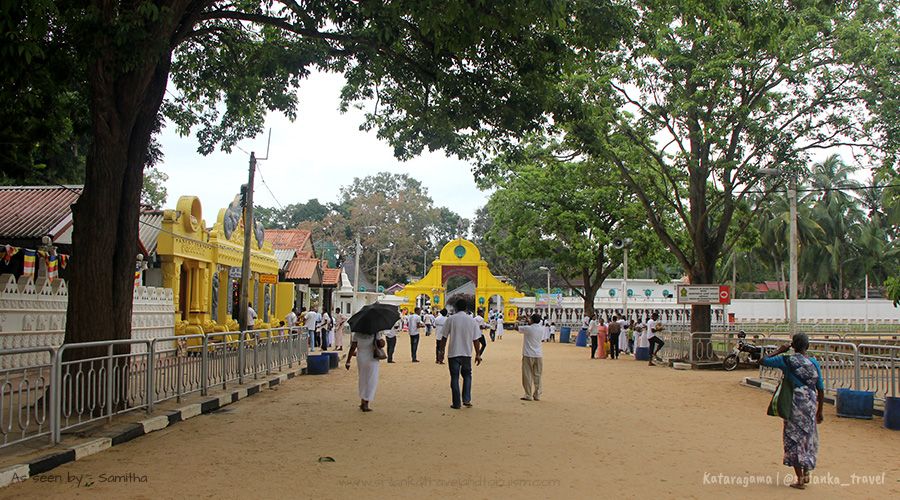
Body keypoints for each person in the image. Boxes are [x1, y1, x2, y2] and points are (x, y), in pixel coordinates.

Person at [761, 333, 824, 489]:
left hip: (793, 404)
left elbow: (763, 361)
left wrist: (780, 350)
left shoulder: (787, 361)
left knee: (793, 438)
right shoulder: (814, 362)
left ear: (793, 346)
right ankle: (807, 469)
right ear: (807, 346)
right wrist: (820, 411)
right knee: (808, 437)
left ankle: (800, 479)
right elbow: (821, 389)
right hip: (809, 404)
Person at [442, 298, 483, 409]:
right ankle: (466, 399)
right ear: (466, 308)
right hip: (466, 353)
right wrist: (478, 354)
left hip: (453, 353)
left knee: (454, 378)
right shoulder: (472, 321)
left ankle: (456, 403)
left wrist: (441, 351)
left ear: (455, 308)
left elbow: (444, 337)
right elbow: (476, 340)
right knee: (467, 376)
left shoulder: (451, 319)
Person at [344, 329, 386, 412]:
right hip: (372, 358)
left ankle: (363, 400)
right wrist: (381, 340)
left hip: (361, 358)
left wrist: (348, 361)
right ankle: (366, 402)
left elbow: (353, 347)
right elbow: (381, 344)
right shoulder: (375, 332)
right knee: (371, 380)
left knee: (362, 379)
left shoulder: (357, 333)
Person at [519, 313, 544, 401]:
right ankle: (537, 394)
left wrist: (521, 320)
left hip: (528, 354)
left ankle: (528, 394)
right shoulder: (541, 329)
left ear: (532, 320)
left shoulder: (528, 329)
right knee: (538, 375)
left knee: (527, 374)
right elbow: (533, 324)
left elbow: (516, 327)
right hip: (538, 354)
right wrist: (528, 320)